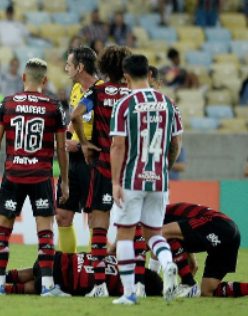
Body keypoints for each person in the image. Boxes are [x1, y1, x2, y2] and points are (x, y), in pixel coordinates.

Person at [0, 58, 70, 297]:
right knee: (45, 231)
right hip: (41, 176)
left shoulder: (7, 104)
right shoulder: (53, 106)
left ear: (24, 78)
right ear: (45, 80)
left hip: (13, 176)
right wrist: (65, 181)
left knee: (3, 230)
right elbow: (62, 148)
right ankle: (48, 286)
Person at [109, 54, 183, 304]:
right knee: (154, 233)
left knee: (125, 235)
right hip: (159, 179)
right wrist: (165, 168)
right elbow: (176, 142)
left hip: (132, 178)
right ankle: (167, 262)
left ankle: (129, 293)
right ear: (150, 75)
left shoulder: (124, 104)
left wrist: (116, 183)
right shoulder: (169, 103)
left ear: (126, 78)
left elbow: (118, 146)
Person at [71, 46, 132, 298]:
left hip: (104, 167)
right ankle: (136, 283)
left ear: (105, 66)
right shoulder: (133, 93)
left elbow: (75, 115)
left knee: (99, 225)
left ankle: (99, 286)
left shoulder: (97, 91)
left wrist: (85, 144)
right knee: (133, 227)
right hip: (130, 169)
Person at [57, 47, 100, 255]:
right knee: (62, 215)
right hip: (72, 160)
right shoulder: (75, 90)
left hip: (92, 161)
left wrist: (83, 144)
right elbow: (73, 125)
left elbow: (109, 133)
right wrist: (66, 141)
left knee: (94, 219)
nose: (66, 68)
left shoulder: (102, 92)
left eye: (69, 64)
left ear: (80, 67)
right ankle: (69, 271)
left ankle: (94, 272)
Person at [0, 251, 163, 297]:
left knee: (39, 269)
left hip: (63, 259)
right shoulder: (124, 287)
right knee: (37, 286)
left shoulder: (122, 262)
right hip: (70, 279)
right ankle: (5, 289)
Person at [156, 203, 244, 298]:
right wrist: (191, 262)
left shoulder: (156, 215)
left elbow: (162, 235)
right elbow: (185, 232)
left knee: (160, 234)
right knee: (207, 291)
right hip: (231, 231)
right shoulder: (163, 214)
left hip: (217, 223)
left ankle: (189, 283)